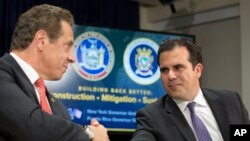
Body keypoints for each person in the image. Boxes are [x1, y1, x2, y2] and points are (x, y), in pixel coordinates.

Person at [0, 4, 109, 141]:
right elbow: (33, 127)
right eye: (66, 46)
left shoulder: (58, 108)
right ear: (41, 41)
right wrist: (89, 133)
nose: (72, 58)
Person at [130, 38, 250, 141]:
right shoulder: (152, 116)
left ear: (198, 70)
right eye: (164, 70)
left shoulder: (231, 102)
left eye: (178, 67)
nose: (171, 76)